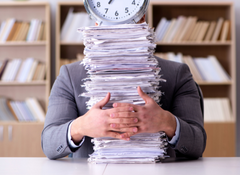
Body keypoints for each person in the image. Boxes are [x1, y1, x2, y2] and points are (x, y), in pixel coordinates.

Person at [41, 15, 206, 160]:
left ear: (142, 21)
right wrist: (81, 126)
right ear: (96, 26)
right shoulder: (70, 75)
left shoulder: (177, 73)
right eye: (110, 24)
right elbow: (49, 143)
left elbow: (198, 144)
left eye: (125, 23)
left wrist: (167, 122)